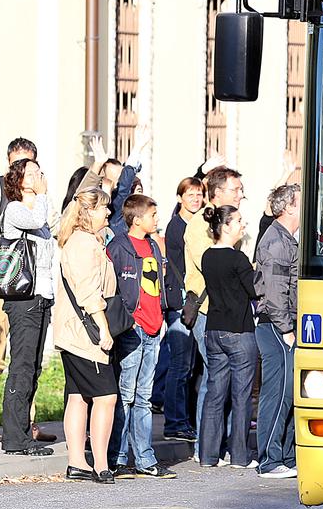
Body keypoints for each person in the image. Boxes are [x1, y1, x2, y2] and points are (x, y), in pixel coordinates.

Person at [0, 137, 55, 443]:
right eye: (24, 167)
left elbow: (48, 234)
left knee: (28, 361)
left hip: (37, 293)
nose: (34, 174)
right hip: (7, 284)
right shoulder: (10, 202)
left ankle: (26, 424)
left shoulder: (39, 206)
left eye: (34, 165)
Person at [105, 194, 176, 479]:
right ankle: (119, 458)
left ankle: (146, 459)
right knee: (126, 395)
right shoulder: (119, 247)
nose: (157, 220)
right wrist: (127, 319)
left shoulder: (153, 245)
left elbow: (157, 285)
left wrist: (161, 317)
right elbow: (112, 287)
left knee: (144, 397)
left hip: (153, 327)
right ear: (137, 219)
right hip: (132, 328)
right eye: (153, 215)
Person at [54, 188, 119, 484]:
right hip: (86, 335)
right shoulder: (83, 244)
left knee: (78, 396)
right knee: (106, 397)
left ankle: (77, 462)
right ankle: (101, 465)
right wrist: (104, 329)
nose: (108, 213)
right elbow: (89, 292)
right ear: (88, 212)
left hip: (73, 333)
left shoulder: (84, 241)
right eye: (104, 208)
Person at [186, 166, 246, 455]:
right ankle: (205, 447)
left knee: (226, 382)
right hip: (208, 309)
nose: (241, 194)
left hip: (230, 309)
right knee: (214, 382)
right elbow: (207, 263)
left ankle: (222, 446)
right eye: (236, 189)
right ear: (218, 192)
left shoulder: (232, 220)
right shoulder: (200, 224)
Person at [0, 157, 56, 456]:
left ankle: (23, 433)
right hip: (23, 300)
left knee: (33, 367)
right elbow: (34, 222)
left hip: (42, 297)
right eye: (31, 173)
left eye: (40, 171)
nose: (39, 176)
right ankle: (14, 438)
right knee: (21, 367)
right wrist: (43, 195)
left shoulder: (43, 213)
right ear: (19, 181)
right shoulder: (15, 209)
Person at [199, 203, 259, 469]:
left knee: (214, 393)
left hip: (214, 328)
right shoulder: (237, 259)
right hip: (239, 329)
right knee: (241, 395)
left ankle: (208, 455)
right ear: (225, 227)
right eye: (238, 221)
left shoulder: (207, 256)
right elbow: (254, 290)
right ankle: (239, 455)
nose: (242, 225)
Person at [253, 183, 300, 479]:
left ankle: (287, 455)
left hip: (286, 325)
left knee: (291, 392)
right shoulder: (277, 242)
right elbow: (274, 291)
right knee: (278, 393)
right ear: (290, 207)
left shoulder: (288, 239)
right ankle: (269, 460)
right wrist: (286, 329)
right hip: (276, 326)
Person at [154, 176, 205, 441]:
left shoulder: (194, 223)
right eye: (190, 195)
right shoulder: (179, 227)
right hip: (180, 302)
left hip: (188, 301)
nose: (196, 199)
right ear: (179, 199)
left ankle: (183, 419)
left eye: (199, 194)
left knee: (188, 365)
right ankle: (175, 423)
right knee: (180, 364)